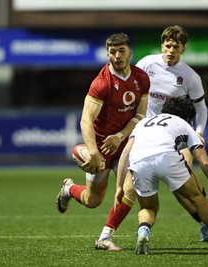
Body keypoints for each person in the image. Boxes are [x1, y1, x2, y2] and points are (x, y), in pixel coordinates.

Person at [94, 25, 208, 250]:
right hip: (146, 134)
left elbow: (201, 109)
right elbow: (130, 89)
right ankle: (106, 234)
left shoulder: (190, 76)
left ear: (183, 49)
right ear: (162, 45)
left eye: (176, 47)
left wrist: (198, 130)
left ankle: (205, 224)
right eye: (168, 45)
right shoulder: (147, 64)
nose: (171, 50)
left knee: (187, 191)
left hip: (176, 138)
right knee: (129, 187)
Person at [55, 33, 150, 251]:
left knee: (131, 186)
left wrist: (120, 136)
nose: (117, 56)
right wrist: (94, 152)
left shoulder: (141, 78)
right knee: (93, 200)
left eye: (122, 51)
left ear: (130, 52)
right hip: (102, 147)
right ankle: (69, 189)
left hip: (125, 143)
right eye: (113, 52)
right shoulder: (101, 83)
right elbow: (86, 120)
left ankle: (105, 237)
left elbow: (140, 115)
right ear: (107, 54)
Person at [114, 96, 208, 254]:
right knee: (197, 197)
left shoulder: (143, 123)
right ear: (188, 118)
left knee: (148, 207)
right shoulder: (183, 124)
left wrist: (119, 186)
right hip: (166, 158)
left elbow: (126, 152)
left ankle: (144, 231)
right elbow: (204, 161)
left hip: (139, 162)